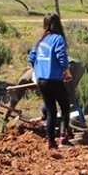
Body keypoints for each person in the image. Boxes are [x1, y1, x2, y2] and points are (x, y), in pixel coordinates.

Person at [29, 14, 72, 150]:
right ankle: (63, 139)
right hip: (53, 79)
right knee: (65, 108)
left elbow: (31, 57)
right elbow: (61, 56)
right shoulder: (57, 39)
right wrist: (66, 72)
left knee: (51, 111)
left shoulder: (40, 40)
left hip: (41, 80)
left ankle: (50, 142)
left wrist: (38, 70)